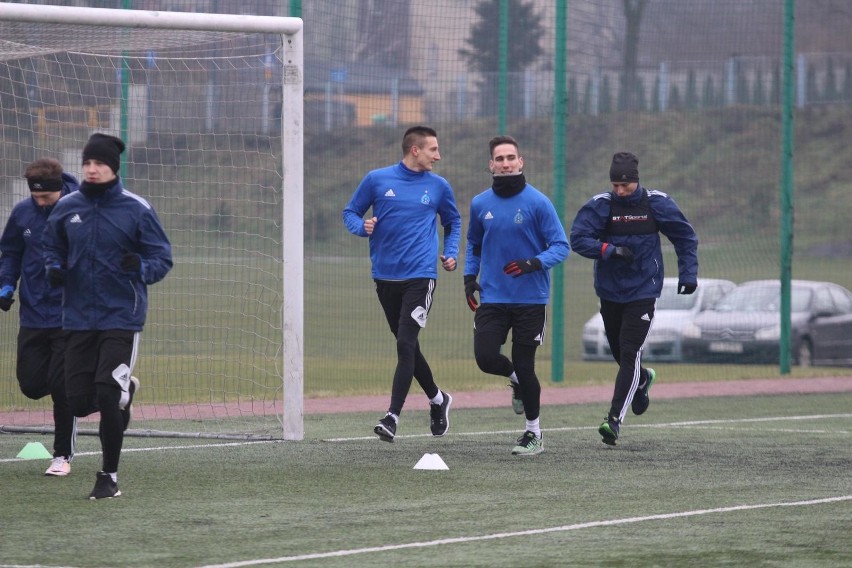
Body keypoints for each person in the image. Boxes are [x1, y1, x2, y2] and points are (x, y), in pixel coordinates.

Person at [42, 133, 173, 499]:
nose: (92, 169)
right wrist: (54, 267)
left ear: (113, 168)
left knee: (104, 391)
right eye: (87, 163)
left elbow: (162, 258)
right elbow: (51, 246)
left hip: (121, 316)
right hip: (78, 317)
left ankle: (108, 478)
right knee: (79, 401)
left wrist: (141, 267)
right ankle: (126, 391)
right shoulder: (67, 207)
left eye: (99, 163)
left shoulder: (136, 209)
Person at [569, 151, 698, 446]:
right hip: (610, 291)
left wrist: (688, 275)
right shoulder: (601, 206)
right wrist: (608, 250)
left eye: (624, 186)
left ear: (635, 182)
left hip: (643, 290)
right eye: (614, 185)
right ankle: (641, 381)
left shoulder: (656, 204)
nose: (619, 190)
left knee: (629, 352)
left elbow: (685, 237)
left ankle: (613, 420)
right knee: (620, 352)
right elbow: (578, 239)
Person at [342, 125, 461, 443]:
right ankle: (438, 398)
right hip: (384, 277)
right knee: (407, 345)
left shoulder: (438, 186)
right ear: (415, 150)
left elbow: (453, 221)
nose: (438, 155)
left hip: (421, 277)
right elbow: (350, 212)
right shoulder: (377, 179)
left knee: (405, 343)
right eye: (433, 149)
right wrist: (362, 226)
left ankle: (392, 416)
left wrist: (450, 252)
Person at [463, 135, 570, 456]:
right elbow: (473, 245)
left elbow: (561, 247)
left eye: (511, 157)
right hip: (494, 298)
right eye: (500, 158)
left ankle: (533, 434)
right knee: (485, 357)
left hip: (531, 301)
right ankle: (518, 382)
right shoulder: (480, 203)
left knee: (526, 364)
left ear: (520, 162)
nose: (506, 163)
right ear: (491, 165)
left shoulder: (538, 202)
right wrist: (470, 277)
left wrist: (533, 263)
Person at [0, 158, 80, 476]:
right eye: (35, 196)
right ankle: (98, 386)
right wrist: (6, 284)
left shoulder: (80, 213)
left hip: (69, 314)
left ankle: (62, 456)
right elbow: (11, 253)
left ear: (59, 189)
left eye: (45, 196)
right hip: (33, 314)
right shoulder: (22, 212)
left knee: (62, 386)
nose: (40, 201)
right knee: (31, 385)